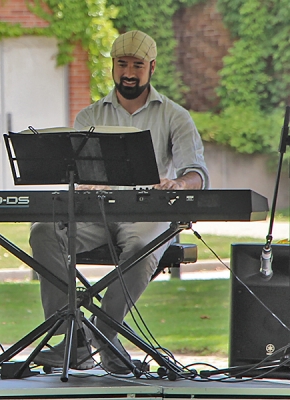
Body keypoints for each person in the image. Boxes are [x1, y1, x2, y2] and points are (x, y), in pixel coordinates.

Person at [30, 30, 209, 374]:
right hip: (97, 212)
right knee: (43, 230)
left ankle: (106, 334)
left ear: (152, 67)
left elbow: (197, 173)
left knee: (143, 245)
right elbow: (78, 174)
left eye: (137, 65)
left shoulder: (175, 116)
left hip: (147, 214)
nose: (129, 72)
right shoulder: (88, 116)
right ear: (112, 67)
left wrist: (178, 182)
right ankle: (73, 339)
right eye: (122, 64)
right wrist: (81, 185)